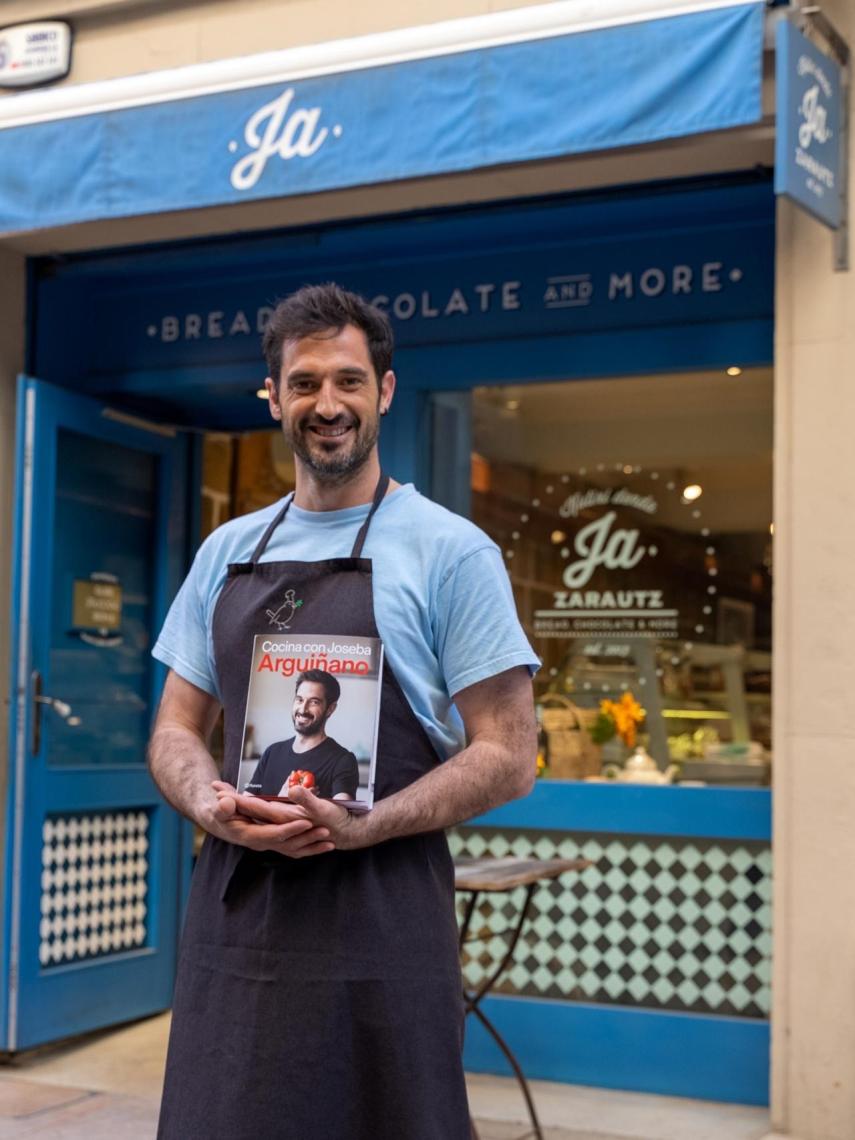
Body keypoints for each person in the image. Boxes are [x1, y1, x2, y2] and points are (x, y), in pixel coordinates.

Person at [147, 282, 539, 1140]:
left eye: (349, 382)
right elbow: (177, 729)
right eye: (305, 383)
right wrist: (208, 799)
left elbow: (510, 754)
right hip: (239, 919)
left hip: (382, 921)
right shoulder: (225, 552)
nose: (327, 405)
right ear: (276, 396)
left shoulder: (451, 552)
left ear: (385, 391)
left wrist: (369, 823)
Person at [246, 669, 359, 800]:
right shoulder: (272, 752)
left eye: (314, 702)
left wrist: (308, 804)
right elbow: (246, 802)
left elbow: (341, 815)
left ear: (330, 709)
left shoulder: (343, 760)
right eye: (299, 700)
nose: (303, 709)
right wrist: (283, 802)